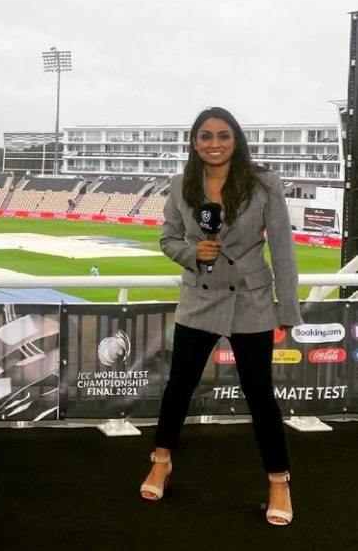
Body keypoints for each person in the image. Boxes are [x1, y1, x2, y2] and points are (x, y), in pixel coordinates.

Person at [139, 107, 302, 526]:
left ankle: (279, 481)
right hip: (200, 297)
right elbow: (168, 238)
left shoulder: (264, 183)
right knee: (179, 386)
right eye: (206, 136)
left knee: (260, 395)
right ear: (195, 143)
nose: (215, 143)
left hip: (251, 300)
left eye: (223, 135)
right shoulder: (180, 184)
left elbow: (282, 248)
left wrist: (287, 307)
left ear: (236, 140)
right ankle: (161, 460)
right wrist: (193, 252)